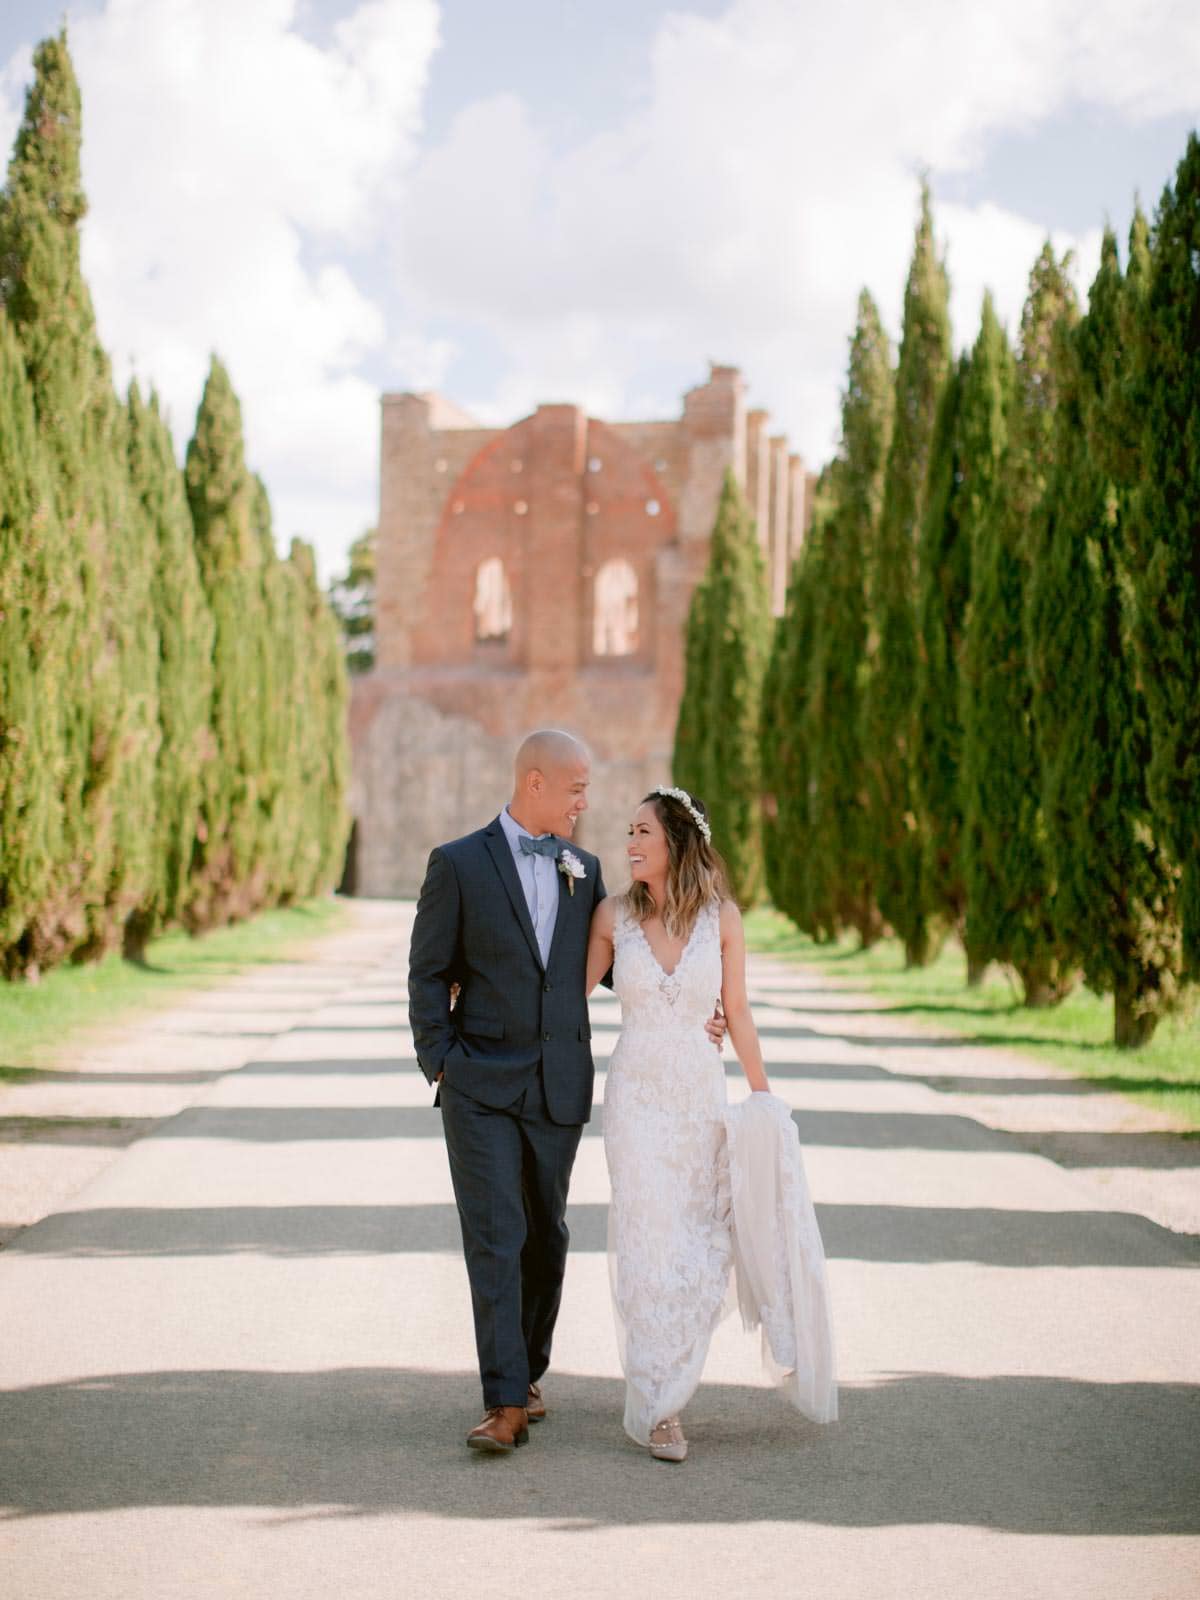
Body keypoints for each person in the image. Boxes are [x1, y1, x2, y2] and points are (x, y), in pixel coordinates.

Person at [408, 732, 725, 1454]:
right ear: (535, 783)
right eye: (576, 788)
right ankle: (503, 1402)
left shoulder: (584, 870)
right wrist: (441, 1062)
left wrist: (690, 1002)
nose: (585, 802)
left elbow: (616, 963)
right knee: (496, 1235)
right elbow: (426, 971)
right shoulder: (457, 864)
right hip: (478, 1083)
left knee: (544, 1237)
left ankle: (527, 1372)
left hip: (557, 1086)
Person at [586, 786, 837, 1462]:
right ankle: (661, 1406)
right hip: (635, 1100)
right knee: (646, 1242)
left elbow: (738, 1011)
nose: (630, 843)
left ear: (676, 840)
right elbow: (563, 996)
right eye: (628, 831)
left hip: (699, 1096)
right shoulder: (612, 916)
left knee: (702, 1239)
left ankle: (672, 1366)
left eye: (642, 831)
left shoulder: (723, 918)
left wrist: (764, 1100)